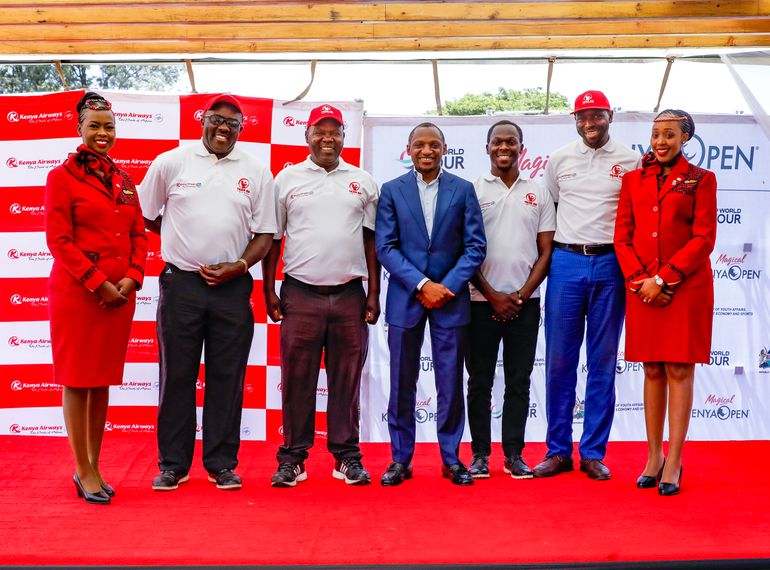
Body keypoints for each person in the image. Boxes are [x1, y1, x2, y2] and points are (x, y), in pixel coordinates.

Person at [139, 94, 276, 491]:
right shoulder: (172, 161)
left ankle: (221, 464)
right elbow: (145, 214)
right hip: (181, 283)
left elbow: (266, 233)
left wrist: (239, 265)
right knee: (177, 375)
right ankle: (173, 465)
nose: (223, 128)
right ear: (203, 120)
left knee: (227, 377)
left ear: (240, 129)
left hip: (232, 287)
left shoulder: (256, 170)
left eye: (232, 123)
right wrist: (175, 236)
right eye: (217, 119)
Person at [263, 104, 380, 488]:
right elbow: (273, 239)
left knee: (347, 380)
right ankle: (293, 459)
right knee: (297, 379)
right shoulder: (286, 179)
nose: (327, 138)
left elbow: (371, 241)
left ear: (344, 137)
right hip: (300, 293)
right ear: (307, 136)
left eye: (335, 132)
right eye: (320, 131)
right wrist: (268, 289)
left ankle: (346, 457)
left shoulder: (362, 181)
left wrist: (373, 292)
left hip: (349, 295)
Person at [46, 92, 148, 504]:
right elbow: (59, 241)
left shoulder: (125, 180)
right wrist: (98, 282)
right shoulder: (62, 177)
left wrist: (132, 278)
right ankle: (82, 469)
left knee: (101, 381)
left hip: (118, 298)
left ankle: (94, 463)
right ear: (80, 129)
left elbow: (139, 234)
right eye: (95, 126)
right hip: (78, 296)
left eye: (109, 126)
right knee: (77, 380)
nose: (103, 133)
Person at [535, 90, 640, 481]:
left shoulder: (630, 160)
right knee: (559, 362)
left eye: (596, 115)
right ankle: (558, 451)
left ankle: (593, 452)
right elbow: (551, 209)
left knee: (602, 362)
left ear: (610, 115)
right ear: (575, 120)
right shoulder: (559, 159)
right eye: (582, 116)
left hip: (611, 263)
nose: (589, 123)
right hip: (565, 262)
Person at [375, 122, 486, 486]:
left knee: (450, 383)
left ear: (444, 149)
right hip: (405, 298)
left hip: (450, 301)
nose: (427, 150)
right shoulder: (391, 190)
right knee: (401, 382)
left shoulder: (463, 190)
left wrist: (446, 287)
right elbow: (385, 247)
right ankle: (400, 460)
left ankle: (452, 459)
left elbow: (475, 247)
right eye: (419, 145)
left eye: (434, 145)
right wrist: (423, 284)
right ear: (408, 149)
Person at [614, 110, 716, 496]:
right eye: (656, 134)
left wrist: (663, 279)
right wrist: (642, 282)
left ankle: (674, 460)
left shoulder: (702, 179)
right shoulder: (632, 180)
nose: (661, 141)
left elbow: (703, 238)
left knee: (678, 368)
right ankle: (653, 456)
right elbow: (623, 237)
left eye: (669, 134)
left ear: (685, 137)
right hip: (642, 287)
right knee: (652, 368)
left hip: (685, 288)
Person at [466, 120, 555, 479]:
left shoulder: (538, 192)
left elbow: (546, 251)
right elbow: (465, 250)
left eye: (511, 142)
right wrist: (492, 295)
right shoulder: (472, 190)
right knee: (479, 382)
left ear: (521, 147)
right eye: (497, 142)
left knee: (519, 381)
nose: (504, 147)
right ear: (487, 147)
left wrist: (520, 295)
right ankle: (479, 455)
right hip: (478, 301)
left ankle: (514, 455)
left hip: (525, 304)